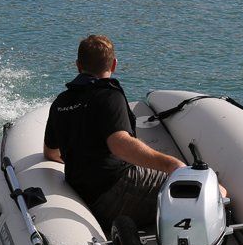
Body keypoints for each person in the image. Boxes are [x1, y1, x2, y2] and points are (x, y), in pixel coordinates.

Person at [43, 34, 189, 230]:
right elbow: (119, 144)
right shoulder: (109, 95)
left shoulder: (61, 102)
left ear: (78, 65)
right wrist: (170, 164)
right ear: (113, 65)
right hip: (116, 189)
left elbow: (51, 152)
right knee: (206, 188)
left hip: (84, 194)